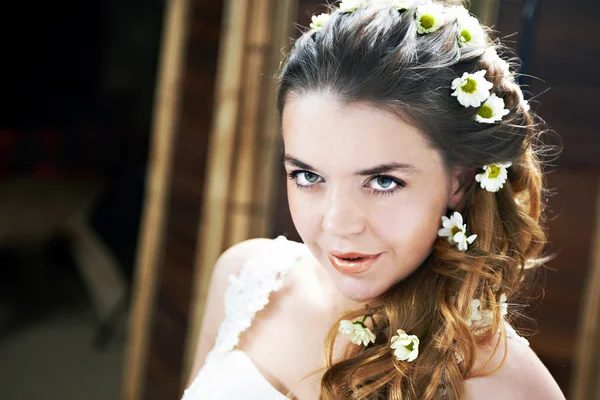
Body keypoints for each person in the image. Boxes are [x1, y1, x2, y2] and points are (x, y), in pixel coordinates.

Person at [183, 0, 566, 398]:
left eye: (382, 181)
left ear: (461, 179)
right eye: (308, 175)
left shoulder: (506, 386)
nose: (336, 223)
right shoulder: (245, 280)